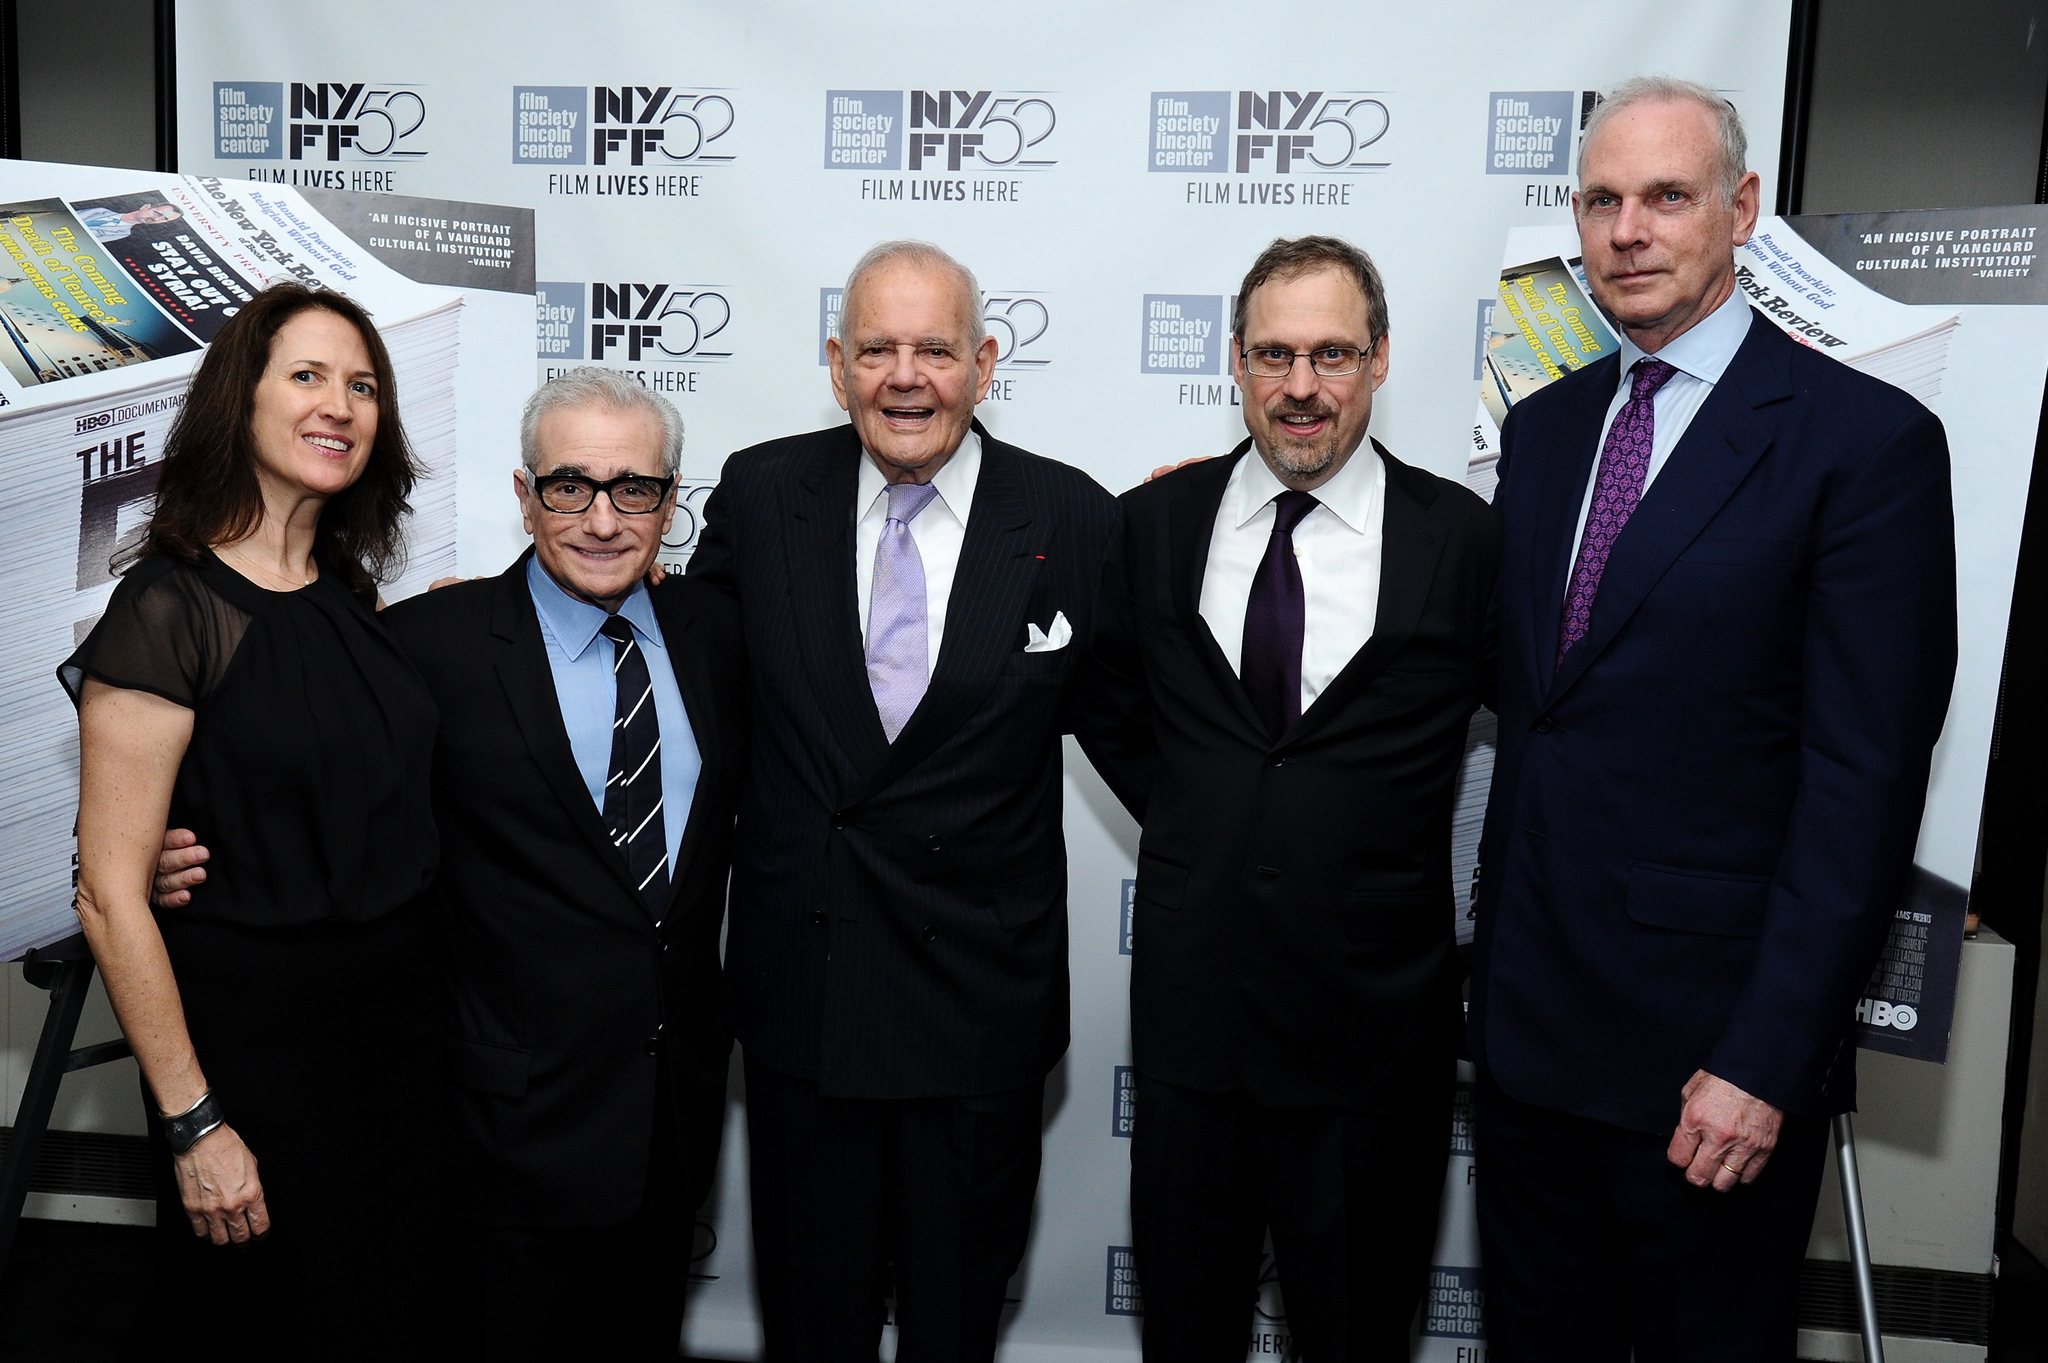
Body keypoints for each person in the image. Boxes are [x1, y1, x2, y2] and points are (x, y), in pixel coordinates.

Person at [1470, 77, 1957, 1359]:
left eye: (1665, 197)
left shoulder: (1864, 445)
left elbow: (1859, 786)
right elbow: (1521, 692)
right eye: (1600, 201)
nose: (1627, 230)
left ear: (1739, 210)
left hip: (1706, 1074)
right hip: (1525, 1050)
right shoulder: (1541, 431)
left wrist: (1764, 1058)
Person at [155, 367, 748, 1359]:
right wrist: (154, 844)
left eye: (632, 489)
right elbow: (293, 769)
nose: (601, 518)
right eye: (568, 486)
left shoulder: (718, 636)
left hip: (671, 1123)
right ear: (523, 495)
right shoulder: (426, 644)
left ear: (669, 501)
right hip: (499, 1132)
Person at [685, 239, 1118, 1361]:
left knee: (953, 1323)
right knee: (810, 1322)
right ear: (835, 364)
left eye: (933, 348)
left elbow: (1150, 731)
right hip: (805, 990)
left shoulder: (1071, 516)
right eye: (875, 348)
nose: (904, 376)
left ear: (982, 362)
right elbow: (688, 679)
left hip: (976, 1001)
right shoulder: (761, 489)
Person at [1078, 236, 1499, 1361]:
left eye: (1328, 354)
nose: (1299, 387)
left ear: (1377, 361)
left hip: (1375, 1036)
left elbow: (1540, 742)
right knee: (1186, 1330)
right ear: (1234, 361)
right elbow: (1108, 702)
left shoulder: (1460, 543)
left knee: (1357, 1333)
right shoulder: (1152, 527)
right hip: (1191, 1027)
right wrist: (1202, 819)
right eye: (1273, 354)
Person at [65, 281, 443, 1359]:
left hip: (400, 1051)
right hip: (252, 1064)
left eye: (364, 385)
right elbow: (108, 892)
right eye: (309, 375)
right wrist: (194, 1121)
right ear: (244, 400)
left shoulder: (350, 597)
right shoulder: (169, 610)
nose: (342, 405)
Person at [78, 200, 182, 242]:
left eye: (164, 219)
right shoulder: (100, 210)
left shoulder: (123, 233)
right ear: (145, 206)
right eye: (157, 213)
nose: (156, 219)